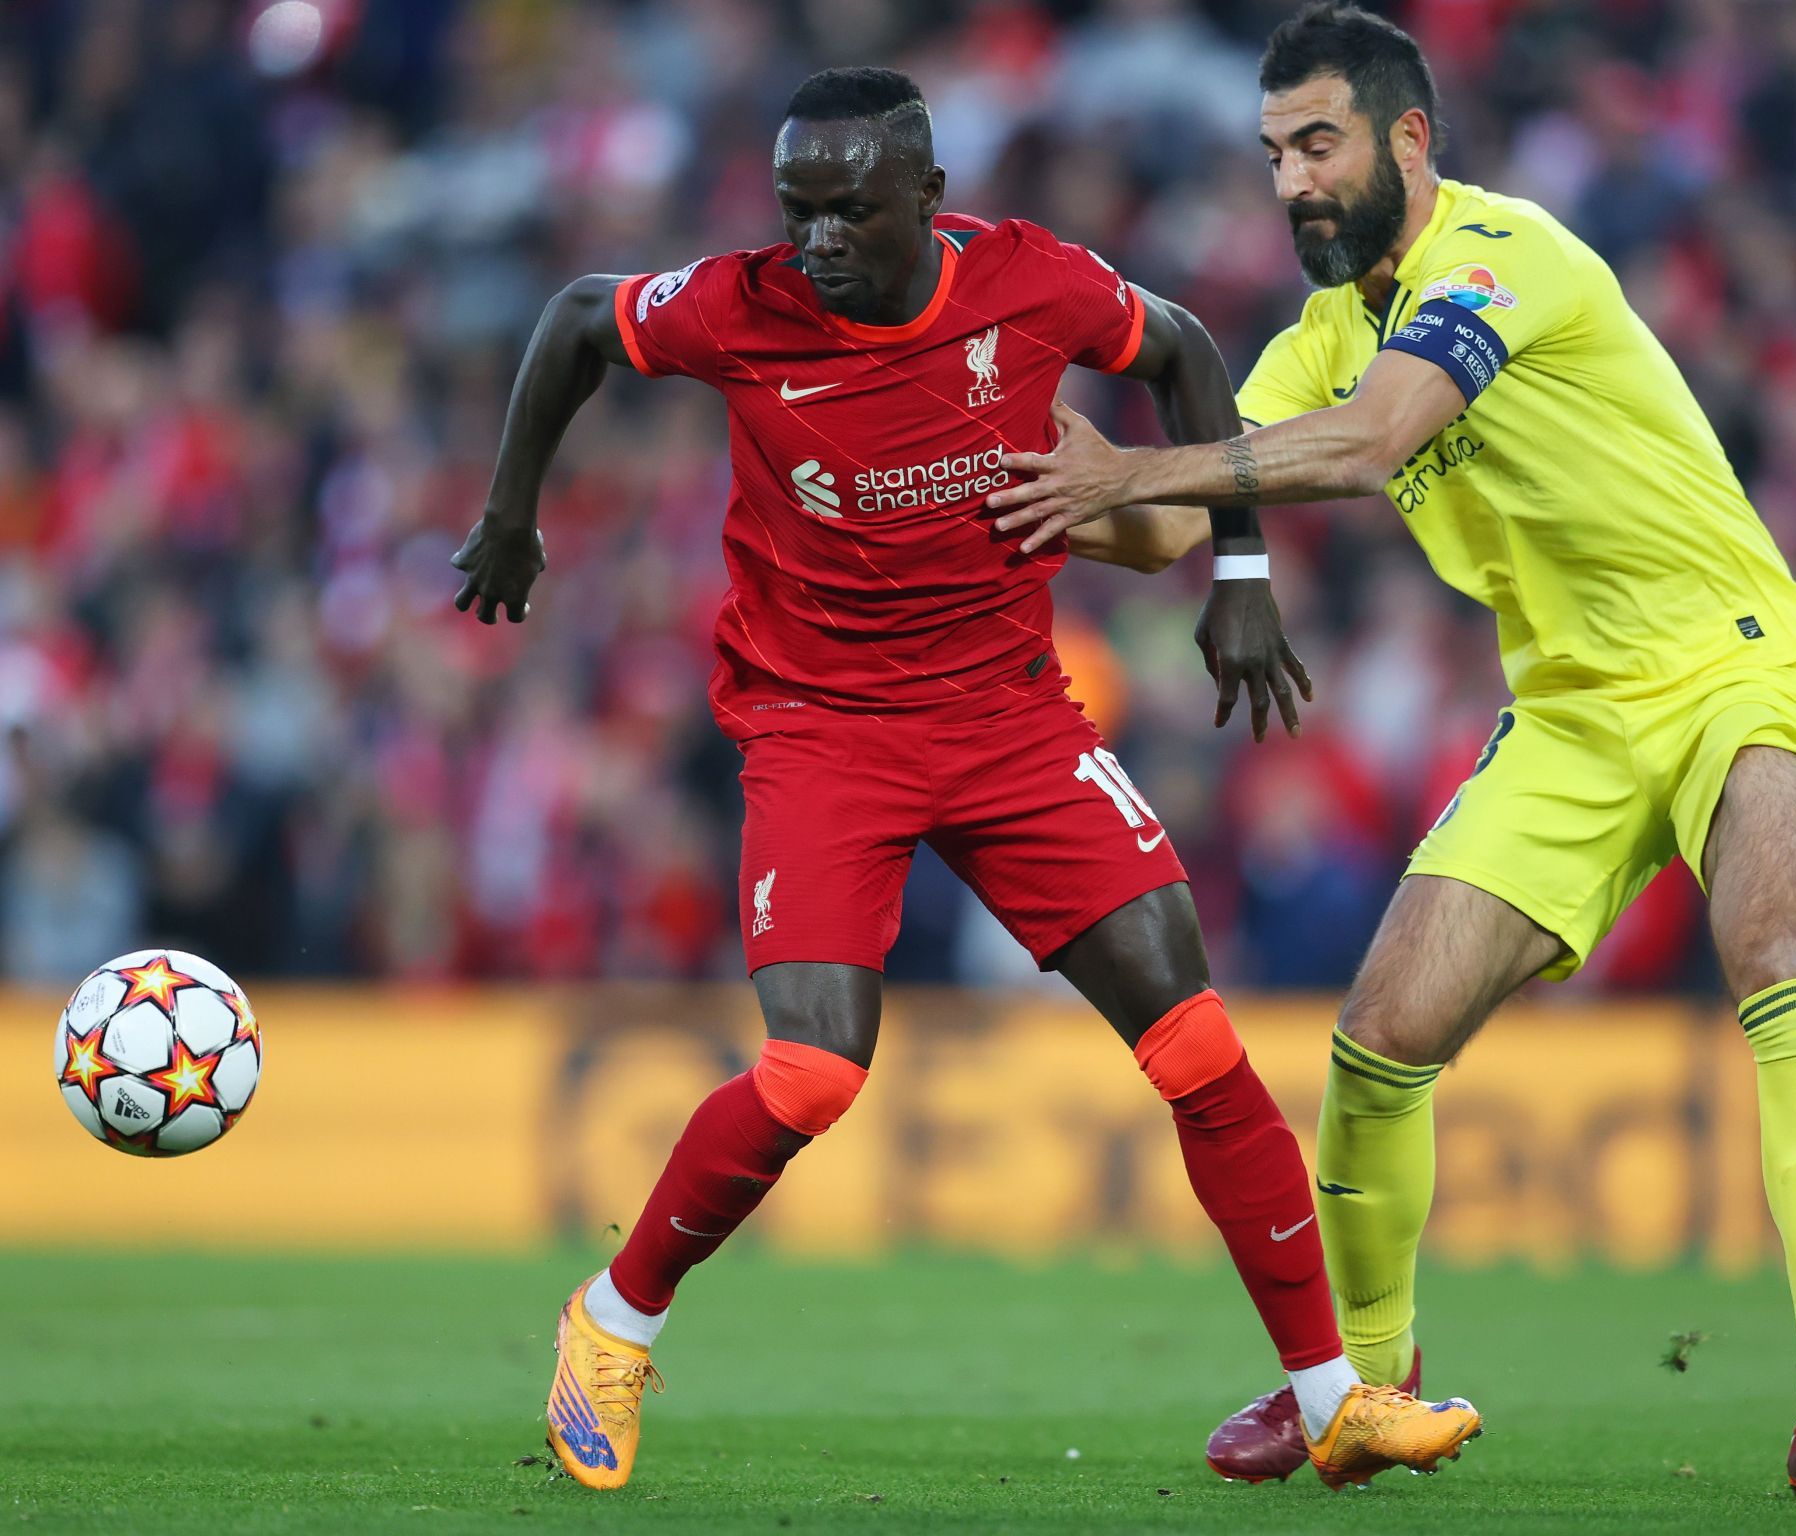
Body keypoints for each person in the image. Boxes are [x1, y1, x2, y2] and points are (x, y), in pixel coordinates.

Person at [451, 65, 1481, 1494]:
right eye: (797, 210)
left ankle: (1334, 1398)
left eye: (849, 213)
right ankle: (610, 1323)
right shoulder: (740, 305)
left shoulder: (1034, 284)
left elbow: (1182, 350)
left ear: (928, 202)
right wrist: (512, 518)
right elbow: (575, 319)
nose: (815, 242)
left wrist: (1239, 569)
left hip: (1009, 722)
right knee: (814, 1070)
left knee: (1194, 1044)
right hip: (821, 727)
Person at [986, 3, 1796, 1504]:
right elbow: (1165, 523)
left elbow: (1364, 442)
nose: (1290, 181)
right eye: (1273, 152)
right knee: (1380, 1039)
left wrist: (1144, 461)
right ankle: (1361, 1387)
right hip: (1570, 712)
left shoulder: (1505, 254)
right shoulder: (1318, 336)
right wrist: (982, 489)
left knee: (1779, 945)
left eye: (1319, 144)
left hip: (1740, 663)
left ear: (1410, 139)